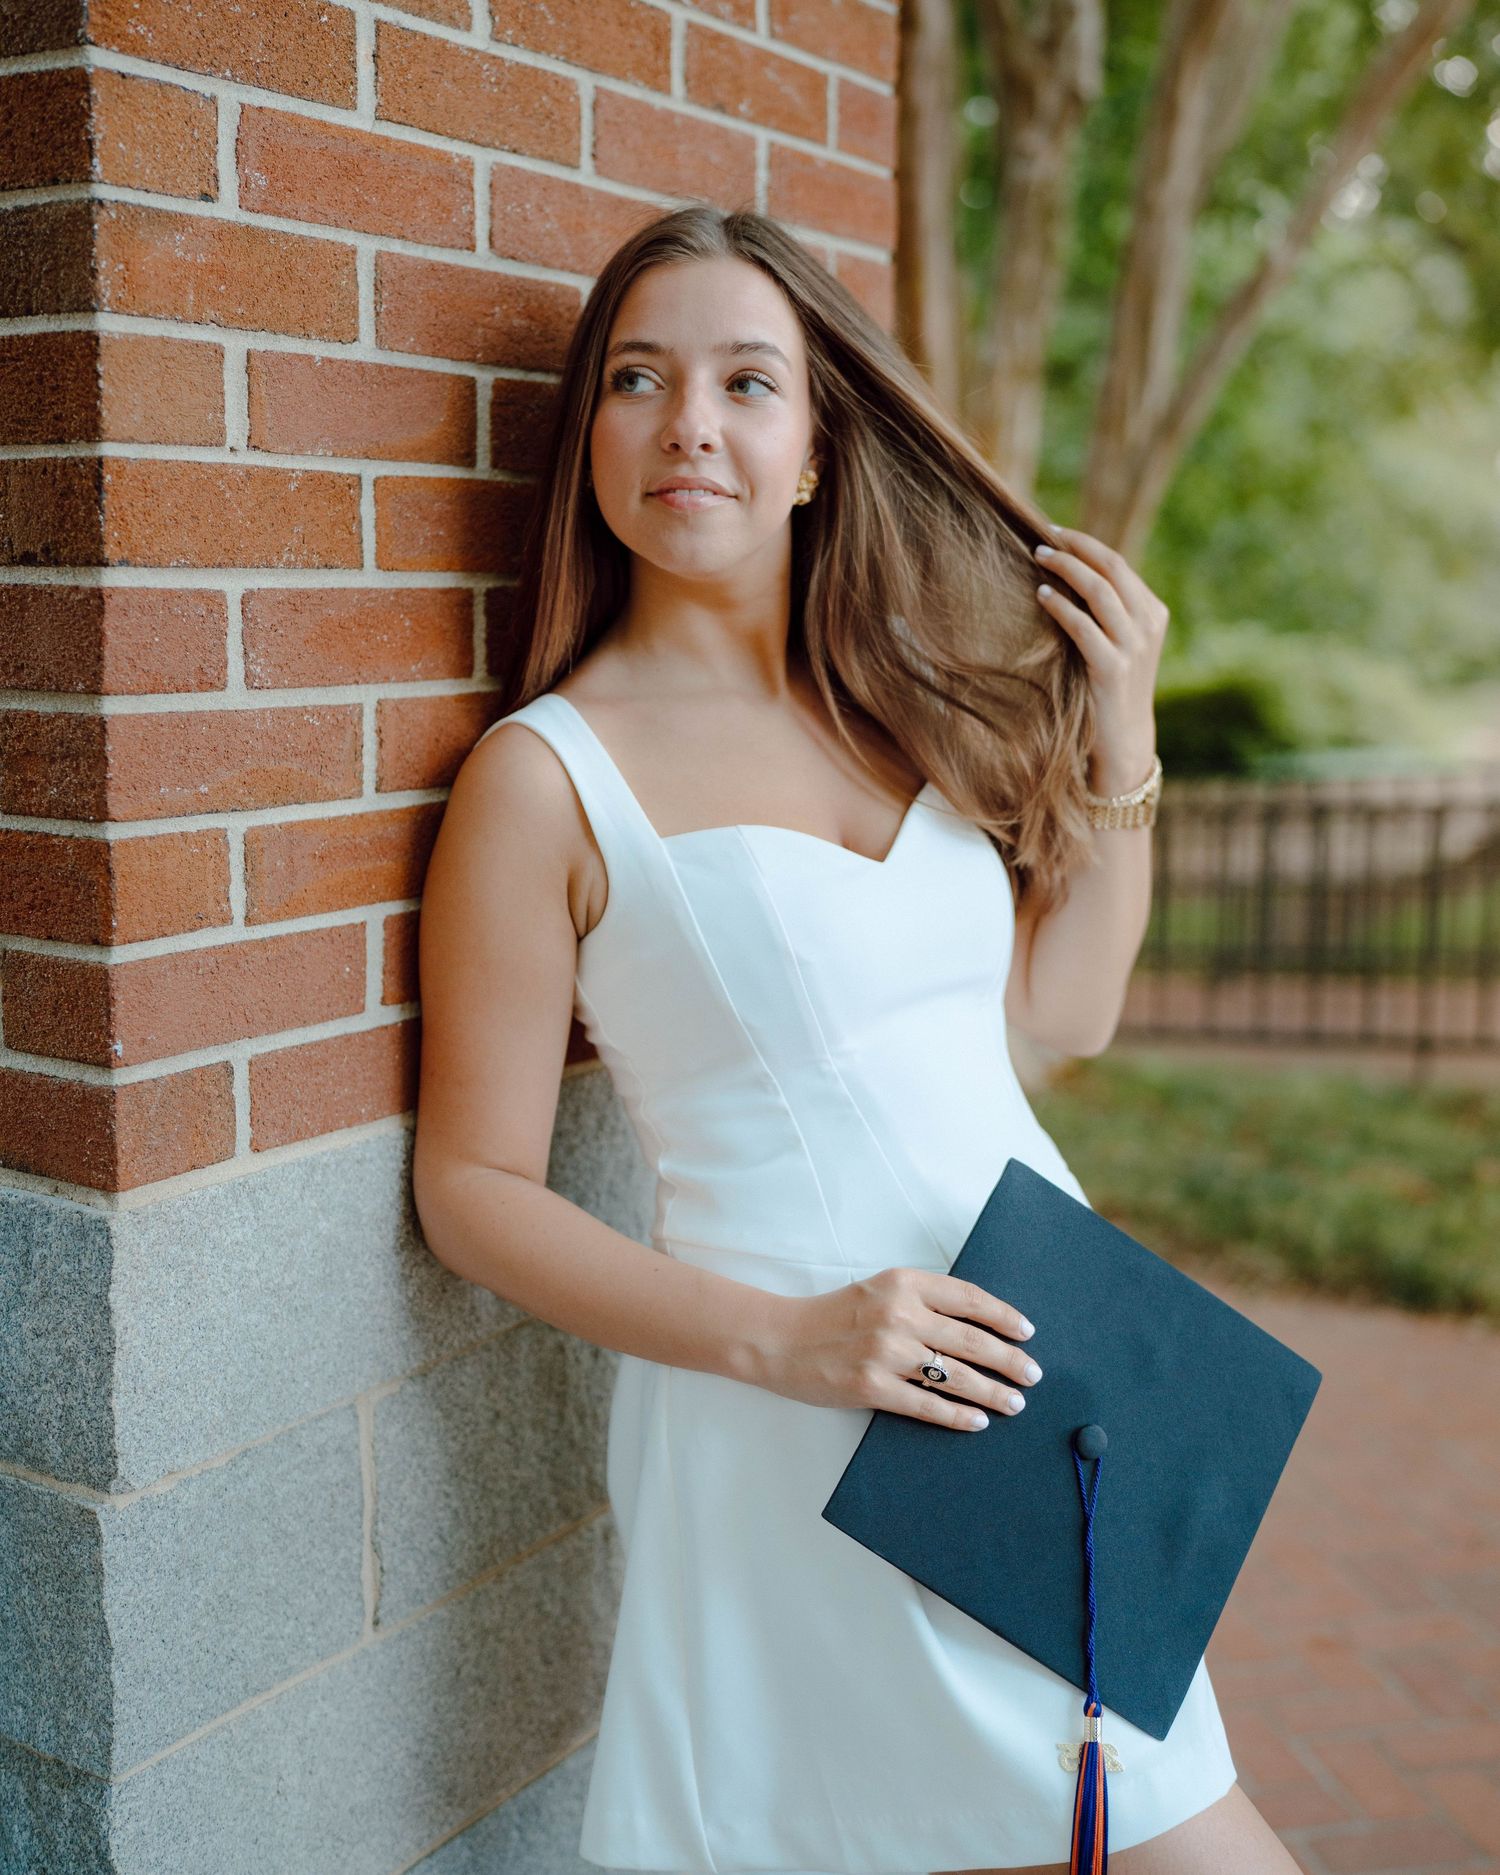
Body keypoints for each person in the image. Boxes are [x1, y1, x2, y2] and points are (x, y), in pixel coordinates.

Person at [413, 204, 1302, 1875]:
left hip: (1033, 1414)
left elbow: (1058, 1017)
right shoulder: (545, 779)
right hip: (806, 1419)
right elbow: (471, 1189)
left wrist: (1123, 736)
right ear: (591, 439)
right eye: (638, 379)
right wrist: (789, 1344)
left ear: (817, 448)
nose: (692, 420)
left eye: (750, 381)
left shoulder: (895, 704)